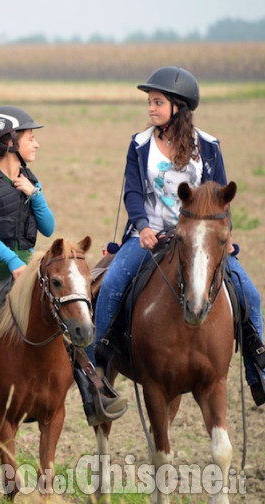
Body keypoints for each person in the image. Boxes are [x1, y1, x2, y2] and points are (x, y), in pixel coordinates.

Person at [0, 106, 127, 443]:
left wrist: (34, 194)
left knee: (71, 324)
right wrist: (11, 260)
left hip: (29, 273)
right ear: (9, 141)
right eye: (30, 137)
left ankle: (93, 394)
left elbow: (49, 227)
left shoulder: (31, 180)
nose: (36, 144)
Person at [93, 65, 265, 406]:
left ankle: (258, 369)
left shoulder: (209, 146)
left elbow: (220, 195)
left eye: (157, 102)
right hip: (150, 235)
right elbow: (132, 192)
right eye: (150, 102)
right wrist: (141, 226)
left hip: (199, 238)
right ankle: (99, 369)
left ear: (178, 107)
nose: (151, 108)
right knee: (111, 284)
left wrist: (224, 238)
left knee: (251, 296)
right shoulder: (140, 144)